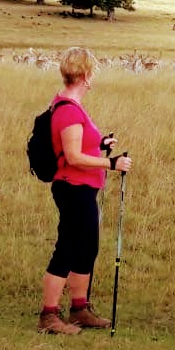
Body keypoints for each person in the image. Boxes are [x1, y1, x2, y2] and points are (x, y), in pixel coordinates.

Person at [38, 47, 131, 334]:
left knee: (86, 247)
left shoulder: (70, 106)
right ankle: (49, 315)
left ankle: (80, 308)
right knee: (67, 247)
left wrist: (101, 143)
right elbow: (73, 157)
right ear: (85, 75)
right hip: (73, 187)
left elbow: (78, 148)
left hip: (84, 187)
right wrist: (111, 163)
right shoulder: (67, 110)